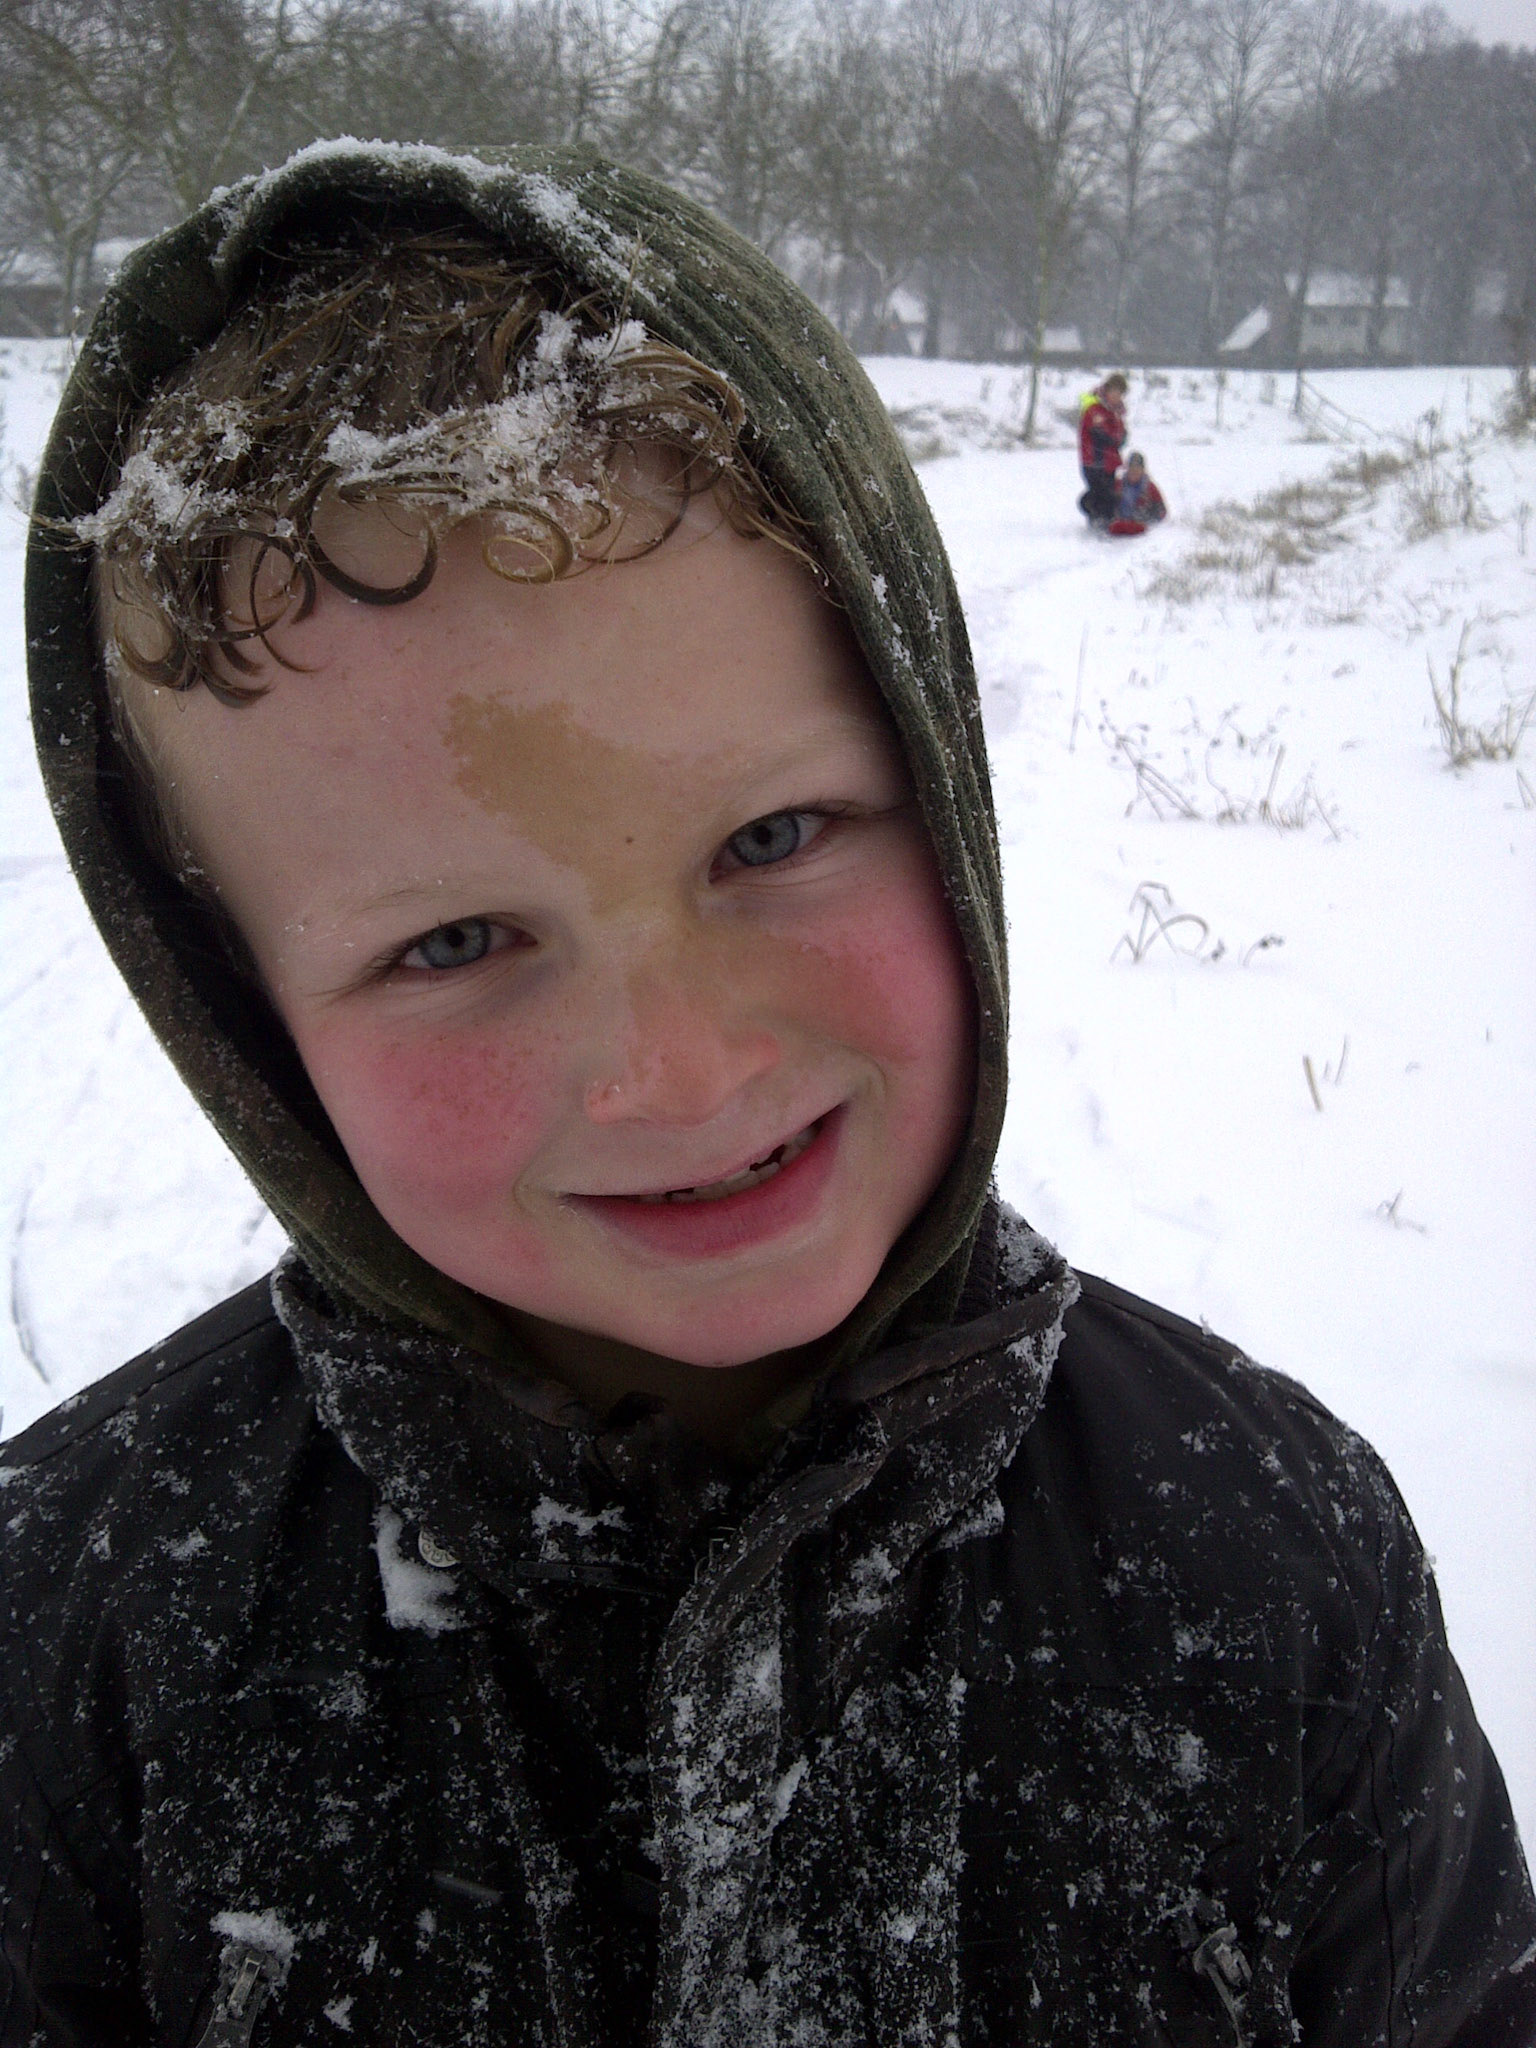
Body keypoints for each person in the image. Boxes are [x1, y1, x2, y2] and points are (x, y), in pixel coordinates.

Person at [3, 144, 1533, 2045]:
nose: (682, 1069)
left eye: (776, 834)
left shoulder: (1276, 1543)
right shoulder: (67, 1638)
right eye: (457, 941)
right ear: (242, 1018)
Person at [1077, 369, 1127, 528]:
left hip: (1110, 462)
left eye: (1120, 393)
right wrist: (1115, 438)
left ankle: (1103, 519)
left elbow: (1120, 436)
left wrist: (1118, 437)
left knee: (1107, 494)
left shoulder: (1116, 412)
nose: (1116, 396)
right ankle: (1096, 517)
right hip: (1094, 462)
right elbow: (1102, 436)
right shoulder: (1095, 409)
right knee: (1102, 494)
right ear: (1107, 390)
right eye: (1114, 391)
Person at [1109, 448, 1168, 535]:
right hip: (1119, 520)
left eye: (1137, 469)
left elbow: (1162, 511)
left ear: (1143, 470)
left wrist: (1147, 512)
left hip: (1138, 522)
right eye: (1131, 468)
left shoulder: (1149, 487)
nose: (1134, 471)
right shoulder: (1119, 484)